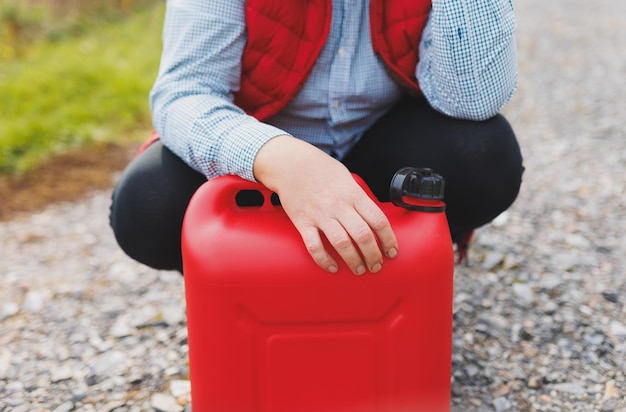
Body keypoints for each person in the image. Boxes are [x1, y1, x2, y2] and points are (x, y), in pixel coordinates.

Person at [109, 0, 524, 275]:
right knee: (150, 204)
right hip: (260, 164)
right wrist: (279, 159)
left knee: (483, 155)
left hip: (382, 152)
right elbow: (184, 93)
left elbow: (474, 101)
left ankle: (399, 267)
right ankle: (246, 278)